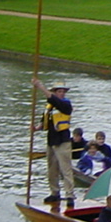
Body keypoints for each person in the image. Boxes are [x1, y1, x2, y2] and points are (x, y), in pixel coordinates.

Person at [32, 77, 75, 208]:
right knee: (52, 169)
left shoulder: (66, 105)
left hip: (63, 141)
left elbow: (53, 100)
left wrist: (40, 86)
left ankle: (69, 195)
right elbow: (44, 120)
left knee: (66, 169)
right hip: (51, 141)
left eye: (63, 91)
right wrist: (36, 128)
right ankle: (55, 192)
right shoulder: (50, 107)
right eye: (59, 91)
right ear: (55, 92)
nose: (62, 93)